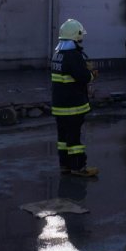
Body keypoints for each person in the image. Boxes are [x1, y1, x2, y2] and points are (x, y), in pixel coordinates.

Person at [51, 18, 99, 178]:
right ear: (76, 36)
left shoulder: (57, 54)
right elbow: (83, 77)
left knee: (63, 138)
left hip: (59, 105)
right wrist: (92, 74)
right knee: (74, 138)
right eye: (80, 36)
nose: (81, 39)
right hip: (72, 106)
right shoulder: (73, 56)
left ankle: (65, 165)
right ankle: (78, 166)